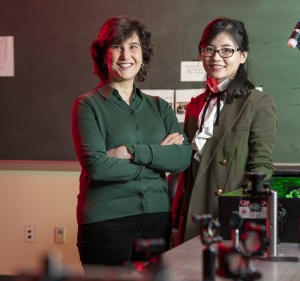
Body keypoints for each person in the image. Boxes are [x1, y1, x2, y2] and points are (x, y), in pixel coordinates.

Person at [71, 15, 192, 267]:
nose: (126, 55)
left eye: (133, 46)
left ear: (143, 54)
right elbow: (98, 167)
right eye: (117, 46)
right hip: (106, 224)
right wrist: (158, 156)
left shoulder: (159, 107)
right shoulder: (87, 105)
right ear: (104, 54)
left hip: (157, 219)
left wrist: (130, 151)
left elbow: (182, 157)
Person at [171, 17, 278, 245]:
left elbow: (262, 166)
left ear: (243, 55)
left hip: (227, 218)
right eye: (209, 49)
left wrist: (240, 213)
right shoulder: (195, 104)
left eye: (227, 50)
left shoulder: (258, 102)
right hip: (190, 215)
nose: (216, 57)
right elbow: (188, 171)